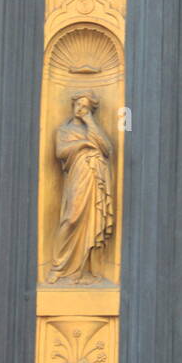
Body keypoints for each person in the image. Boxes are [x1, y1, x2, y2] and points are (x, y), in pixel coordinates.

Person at [48, 92, 114, 284]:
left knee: (92, 220)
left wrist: (90, 123)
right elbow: (60, 151)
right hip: (78, 174)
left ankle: (83, 269)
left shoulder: (93, 128)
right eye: (77, 105)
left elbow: (108, 149)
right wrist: (83, 143)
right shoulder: (64, 130)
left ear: (91, 110)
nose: (80, 109)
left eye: (85, 107)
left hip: (96, 177)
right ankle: (59, 266)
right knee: (72, 217)